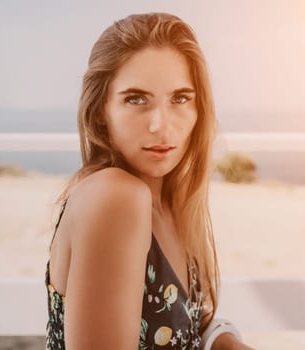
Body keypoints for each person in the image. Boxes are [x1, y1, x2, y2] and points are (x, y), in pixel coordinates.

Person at [45, 12, 254, 350]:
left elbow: (186, 323)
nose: (161, 125)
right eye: (136, 99)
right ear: (101, 109)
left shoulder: (170, 200)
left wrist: (226, 342)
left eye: (180, 99)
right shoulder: (115, 196)